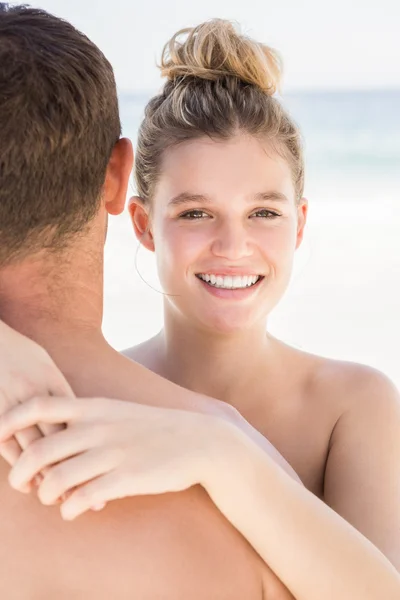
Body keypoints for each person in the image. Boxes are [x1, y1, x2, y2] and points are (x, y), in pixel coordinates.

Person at [0, 7, 399, 600]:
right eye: (194, 213)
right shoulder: (80, 393)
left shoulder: (355, 405)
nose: (233, 246)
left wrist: (222, 451)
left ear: (299, 224)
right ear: (139, 221)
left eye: (264, 212)